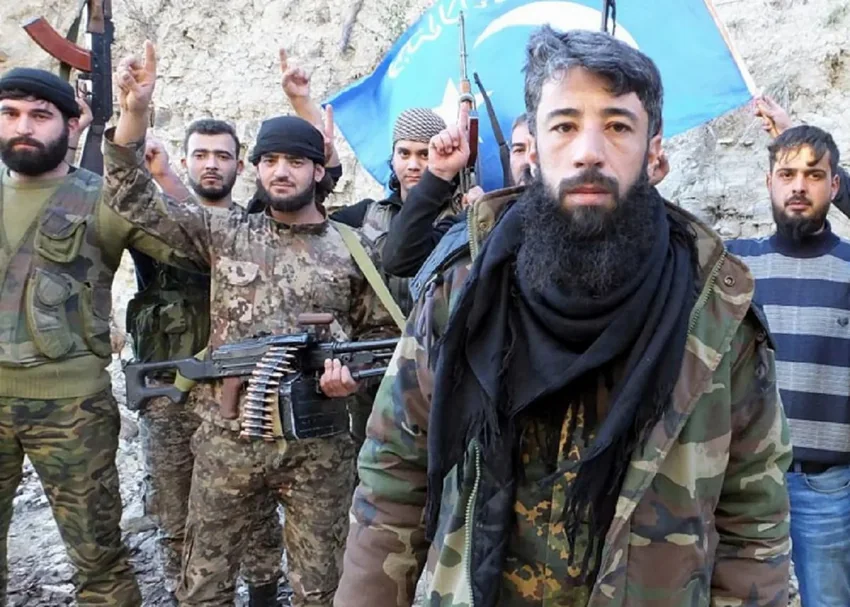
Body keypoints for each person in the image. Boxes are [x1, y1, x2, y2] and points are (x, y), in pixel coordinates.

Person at [335, 27, 792, 607]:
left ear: (654, 152)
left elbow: (754, 524)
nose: (588, 151)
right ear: (533, 146)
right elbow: (391, 483)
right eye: (565, 125)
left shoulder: (715, 316)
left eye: (618, 126)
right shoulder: (462, 291)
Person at [103, 41, 397, 606]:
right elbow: (131, 198)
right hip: (228, 439)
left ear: (319, 170)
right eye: (269, 161)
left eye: (295, 162)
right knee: (204, 585)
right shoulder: (226, 232)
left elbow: (377, 341)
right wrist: (134, 113)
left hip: (318, 445)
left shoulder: (353, 248)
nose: (280, 172)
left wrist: (350, 380)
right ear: (256, 169)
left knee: (320, 588)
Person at [0, 66, 207, 607]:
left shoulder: (104, 199)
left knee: (98, 558)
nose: (23, 127)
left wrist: (137, 129)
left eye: (40, 116)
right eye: (10, 114)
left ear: (72, 125)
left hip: (72, 411)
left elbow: (195, 247)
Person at [127, 119, 283, 604]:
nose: (211, 164)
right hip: (168, 395)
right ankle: (184, 593)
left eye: (222, 155)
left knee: (256, 509)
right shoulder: (156, 225)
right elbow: (119, 200)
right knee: (174, 510)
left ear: (240, 166)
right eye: (201, 155)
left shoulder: (256, 227)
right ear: (184, 161)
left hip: (239, 393)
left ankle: (262, 594)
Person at [726, 125, 850, 607]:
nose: (799, 185)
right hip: (745, 486)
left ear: (835, 186)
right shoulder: (736, 265)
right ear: (768, 182)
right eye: (787, 173)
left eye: (814, 175)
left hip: (828, 488)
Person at [381, 113, 533, 278]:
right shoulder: (487, 218)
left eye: (539, 147)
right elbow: (400, 261)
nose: (529, 159)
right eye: (519, 149)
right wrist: (438, 174)